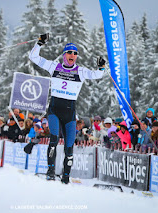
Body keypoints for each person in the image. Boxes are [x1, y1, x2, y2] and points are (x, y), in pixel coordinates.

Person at [29, 33, 106, 183]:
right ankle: (50, 172)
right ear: (64, 55)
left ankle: (66, 177)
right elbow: (34, 57)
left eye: (75, 53)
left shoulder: (81, 71)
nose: (72, 55)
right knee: (54, 139)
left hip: (70, 113)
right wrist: (39, 43)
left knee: (69, 147)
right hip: (54, 110)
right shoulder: (54, 66)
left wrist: (102, 66)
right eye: (69, 52)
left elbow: (97, 75)